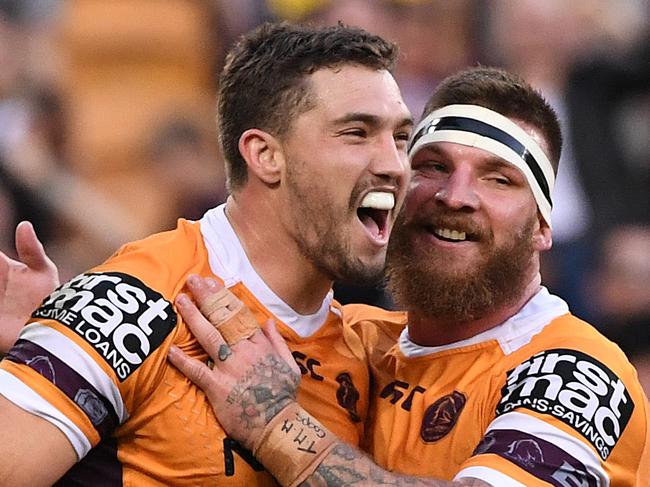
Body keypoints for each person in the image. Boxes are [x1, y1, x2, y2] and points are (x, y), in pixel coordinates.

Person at [167, 67, 650, 486]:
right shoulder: (348, 338)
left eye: (498, 178)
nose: (455, 195)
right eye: (433, 166)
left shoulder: (577, 371)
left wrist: (276, 424)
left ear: (543, 226)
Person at [0, 22, 413, 485]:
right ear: (264, 155)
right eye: (356, 133)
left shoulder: (371, 353)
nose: (394, 165)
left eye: (400, 138)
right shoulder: (132, 304)